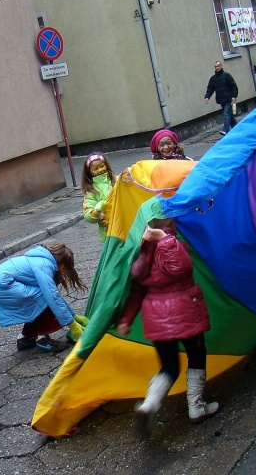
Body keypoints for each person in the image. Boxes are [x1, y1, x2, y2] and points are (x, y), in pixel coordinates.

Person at [116, 218, 218, 436]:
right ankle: (196, 407)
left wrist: (126, 319)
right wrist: (164, 238)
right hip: (185, 312)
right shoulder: (170, 242)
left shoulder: (141, 253)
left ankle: (149, 405)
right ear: (168, 224)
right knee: (196, 355)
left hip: (156, 319)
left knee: (169, 367)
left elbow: (137, 292)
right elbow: (181, 267)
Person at [0, 244, 89, 353]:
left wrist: (73, 316)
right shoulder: (44, 265)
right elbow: (52, 297)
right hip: (3, 285)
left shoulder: (40, 259)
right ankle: (43, 340)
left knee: (36, 301)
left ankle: (26, 337)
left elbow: (53, 296)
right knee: (44, 299)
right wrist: (72, 324)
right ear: (62, 264)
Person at [81, 153, 116, 242]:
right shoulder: (91, 191)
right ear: (89, 172)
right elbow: (87, 213)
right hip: (108, 231)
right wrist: (96, 211)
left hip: (126, 225)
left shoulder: (116, 181)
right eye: (95, 169)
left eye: (102, 166)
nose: (100, 170)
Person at [203, 61, 238, 135]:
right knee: (229, 114)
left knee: (226, 114)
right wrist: (207, 97)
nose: (217, 68)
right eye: (216, 67)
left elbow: (233, 86)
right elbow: (210, 89)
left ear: (221, 66)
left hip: (228, 98)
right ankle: (237, 127)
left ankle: (225, 130)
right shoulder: (213, 79)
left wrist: (234, 96)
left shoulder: (227, 75)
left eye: (218, 66)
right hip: (221, 100)